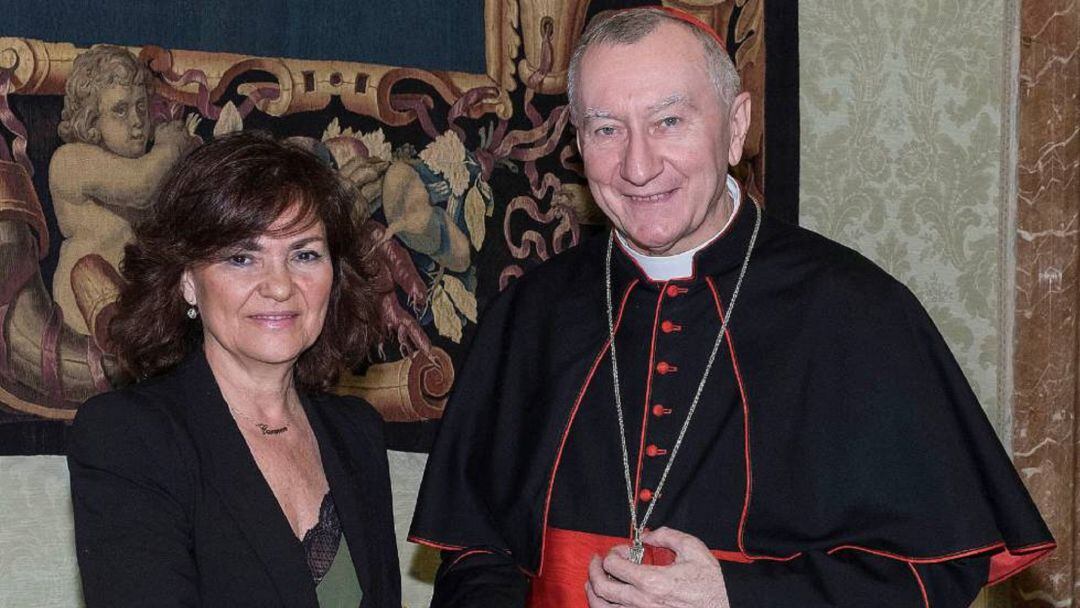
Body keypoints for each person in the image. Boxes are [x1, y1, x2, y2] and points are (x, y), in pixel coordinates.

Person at [409, 7, 1053, 607]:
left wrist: (739, 597)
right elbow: (475, 549)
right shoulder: (531, 314)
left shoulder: (856, 312)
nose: (638, 166)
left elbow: (934, 569)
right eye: (607, 129)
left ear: (737, 125)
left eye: (669, 121)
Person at [68, 132, 401, 607]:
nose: (280, 286)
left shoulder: (358, 433)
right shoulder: (128, 437)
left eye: (304, 254)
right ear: (186, 281)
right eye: (242, 257)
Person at [50, 44, 198, 338]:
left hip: (135, 316)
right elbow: (141, 186)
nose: (137, 121)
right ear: (92, 120)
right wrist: (172, 147)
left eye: (141, 107)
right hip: (85, 324)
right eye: (120, 110)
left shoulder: (150, 169)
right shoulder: (71, 160)